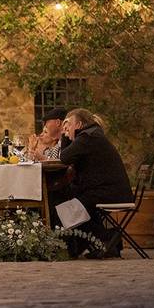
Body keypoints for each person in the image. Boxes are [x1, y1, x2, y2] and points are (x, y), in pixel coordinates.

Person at [57, 108, 133, 258]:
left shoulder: (88, 137)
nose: (65, 131)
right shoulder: (91, 135)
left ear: (78, 125)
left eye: (67, 127)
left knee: (69, 206)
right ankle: (105, 244)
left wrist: (63, 136)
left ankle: (108, 237)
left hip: (110, 193)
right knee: (70, 199)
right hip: (108, 191)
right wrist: (67, 132)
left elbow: (64, 157)